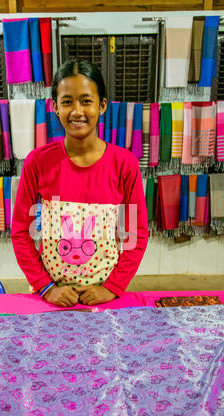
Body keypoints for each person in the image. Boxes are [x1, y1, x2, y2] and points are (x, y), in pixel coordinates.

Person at [11, 59, 148, 308]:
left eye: (86, 101)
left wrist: (112, 288)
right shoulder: (37, 162)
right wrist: (46, 287)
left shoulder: (124, 164)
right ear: (55, 107)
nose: (77, 111)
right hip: (50, 297)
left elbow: (134, 235)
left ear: (102, 105)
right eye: (67, 101)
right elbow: (21, 233)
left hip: (104, 296)